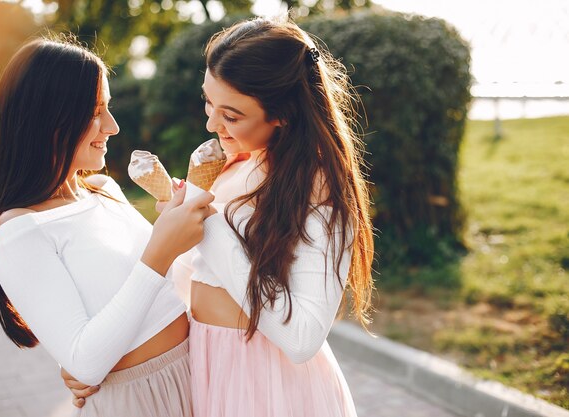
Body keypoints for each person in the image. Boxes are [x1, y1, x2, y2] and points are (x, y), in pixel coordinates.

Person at [67, 16, 374, 417]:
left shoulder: (319, 191)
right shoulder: (234, 164)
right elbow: (188, 285)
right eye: (209, 103)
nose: (212, 124)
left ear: (283, 114)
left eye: (231, 116)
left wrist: (205, 223)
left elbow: (301, 339)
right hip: (208, 369)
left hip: (268, 389)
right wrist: (101, 358)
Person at [0, 37, 214, 417]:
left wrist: (182, 233)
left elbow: (163, 291)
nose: (113, 126)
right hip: (137, 402)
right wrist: (161, 249)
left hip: (195, 373)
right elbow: (87, 362)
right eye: (95, 111)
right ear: (47, 119)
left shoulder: (103, 190)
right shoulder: (19, 232)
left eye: (109, 107)